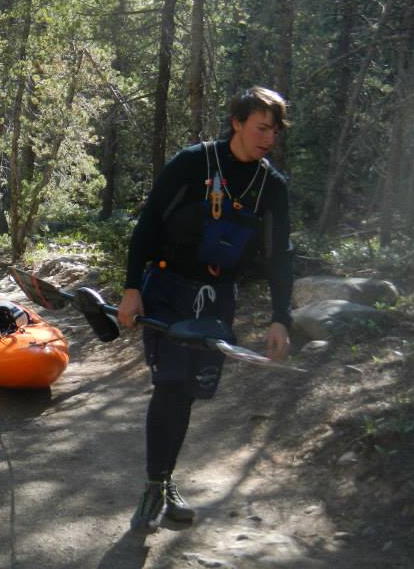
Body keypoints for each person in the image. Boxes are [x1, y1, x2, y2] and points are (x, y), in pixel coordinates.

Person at [116, 86, 294, 532]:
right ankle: (156, 485)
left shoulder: (271, 185)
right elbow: (149, 223)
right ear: (237, 122)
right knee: (172, 385)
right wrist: (132, 288)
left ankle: (165, 478)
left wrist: (280, 316)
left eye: (274, 130)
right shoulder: (193, 163)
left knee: (192, 389)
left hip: (219, 298)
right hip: (169, 289)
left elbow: (281, 255)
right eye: (260, 128)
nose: (268, 138)